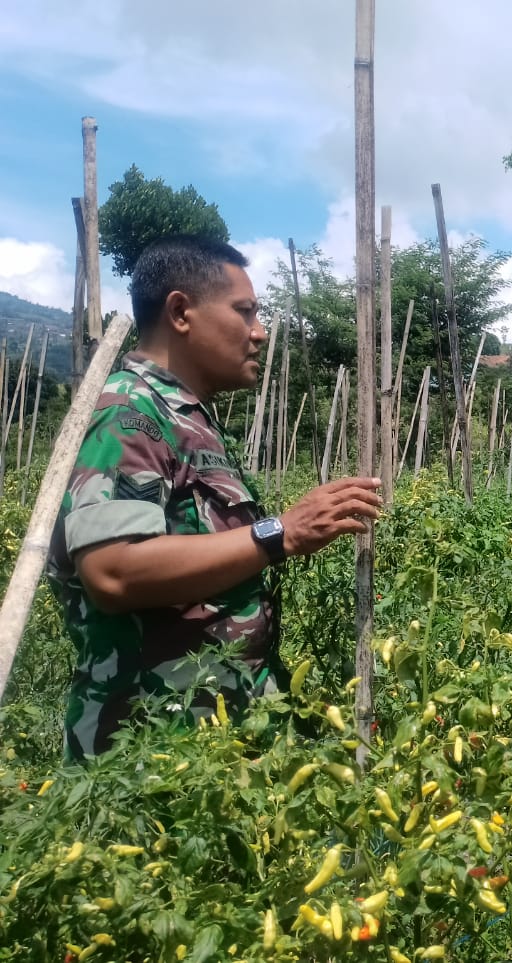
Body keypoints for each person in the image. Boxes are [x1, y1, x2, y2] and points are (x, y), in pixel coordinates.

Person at [47, 235, 382, 761]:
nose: (259, 331)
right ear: (181, 312)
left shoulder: (187, 418)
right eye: (244, 312)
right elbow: (113, 571)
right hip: (149, 752)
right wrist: (281, 532)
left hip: (208, 744)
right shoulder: (130, 414)